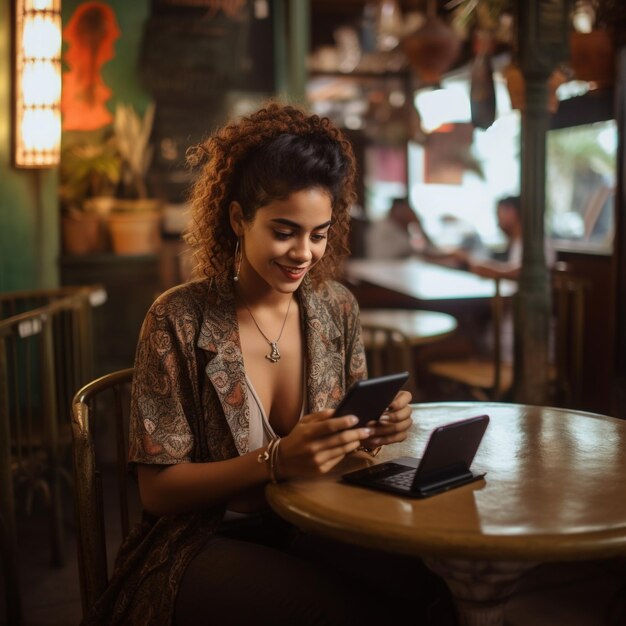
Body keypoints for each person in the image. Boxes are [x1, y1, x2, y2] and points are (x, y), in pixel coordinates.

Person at [83, 102, 455, 626]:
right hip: (201, 541)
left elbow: (345, 438)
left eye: (319, 234)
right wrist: (277, 461)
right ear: (239, 219)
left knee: (431, 589)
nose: (304, 253)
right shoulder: (178, 318)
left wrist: (376, 428)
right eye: (284, 231)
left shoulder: (336, 308)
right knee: (343, 614)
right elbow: (158, 492)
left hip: (315, 522)